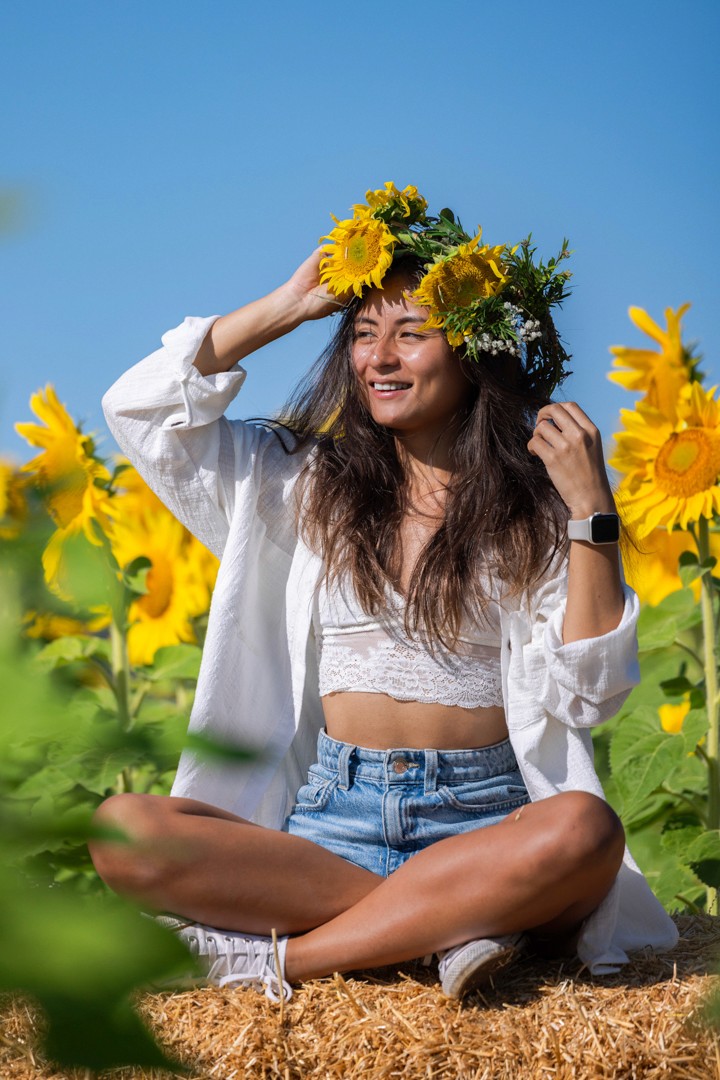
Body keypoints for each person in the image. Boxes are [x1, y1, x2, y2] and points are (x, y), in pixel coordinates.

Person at [90, 185, 678, 1003]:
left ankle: (281, 963)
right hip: (334, 825)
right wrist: (290, 304)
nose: (379, 357)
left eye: (411, 333)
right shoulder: (298, 484)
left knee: (586, 830)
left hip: (487, 824)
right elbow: (140, 409)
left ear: (473, 350)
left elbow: (590, 695)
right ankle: (452, 924)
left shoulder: (533, 507)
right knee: (126, 831)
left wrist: (591, 513)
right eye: (364, 333)